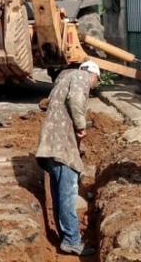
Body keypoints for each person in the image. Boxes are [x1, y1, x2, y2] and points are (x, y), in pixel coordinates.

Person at [36, 61, 100, 256]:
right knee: (69, 193)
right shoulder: (81, 76)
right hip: (62, 145)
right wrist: (81, 127)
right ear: (93, 75)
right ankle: (72, 240)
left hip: (49, 144)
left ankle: (65, 235)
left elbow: (46, 103)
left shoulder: (63, 78)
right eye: (96, 82)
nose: (94, 86)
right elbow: (76, 100)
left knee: (58, 191)